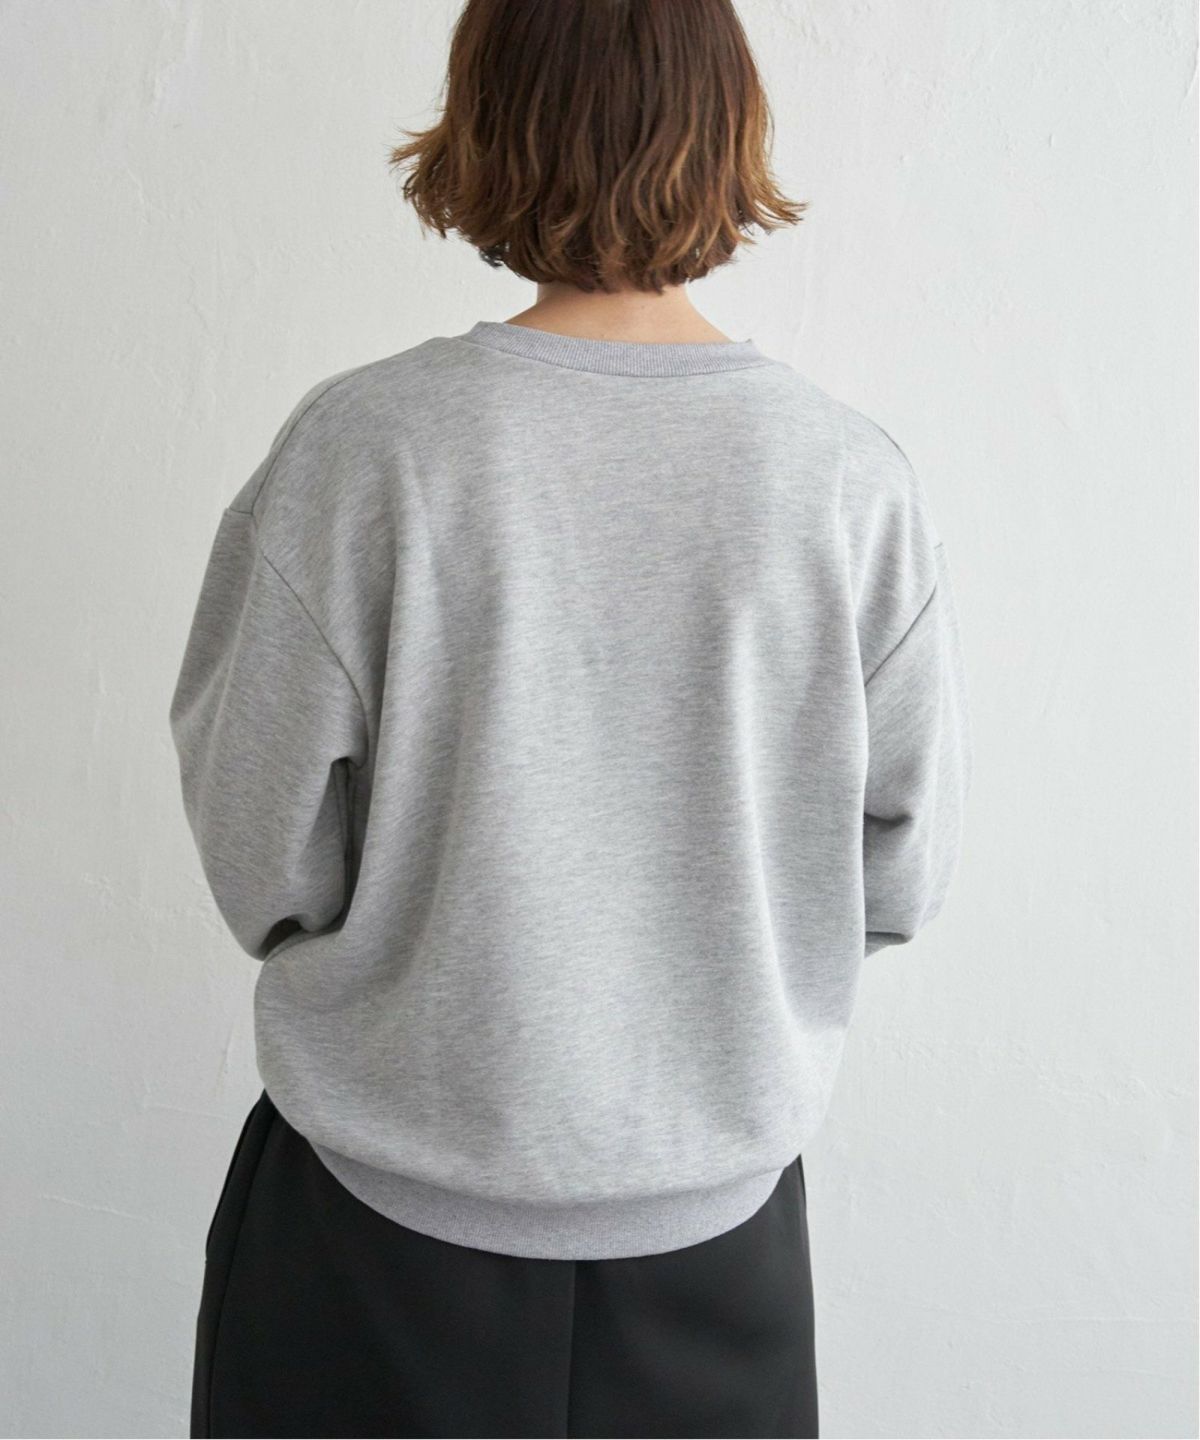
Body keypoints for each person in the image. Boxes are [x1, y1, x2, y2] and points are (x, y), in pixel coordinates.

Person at [168, 0, 973, 1435]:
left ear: (486, 125)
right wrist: (695, 965)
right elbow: (897, 870)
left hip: (372, 1240)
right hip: (717, 1250)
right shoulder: (847, 483)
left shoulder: (363, 451)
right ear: (728, 130)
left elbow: (259, 852)